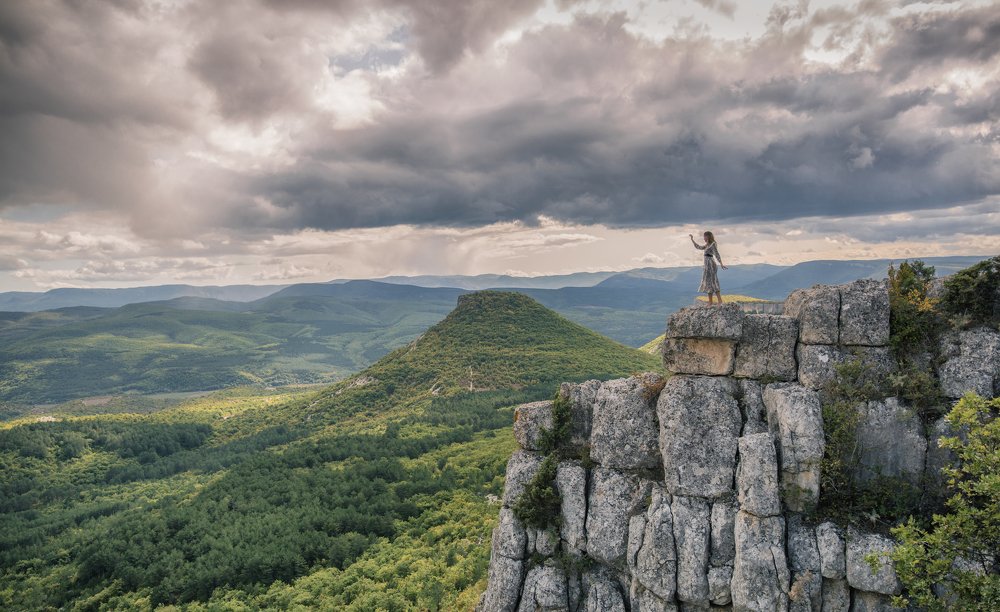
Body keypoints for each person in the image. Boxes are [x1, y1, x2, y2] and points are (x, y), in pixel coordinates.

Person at [689, 231, 728, 305]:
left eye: (704, 236)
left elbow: (716, 254)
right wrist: (692, 240)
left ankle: (719, 301)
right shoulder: (707, 245)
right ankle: (710, 302)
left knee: (713, 282)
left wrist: (721, 263)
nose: (704, 238)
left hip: (711, 265)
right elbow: (699, 247)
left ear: (708, 236)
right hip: (707, 266)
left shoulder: (713, 244)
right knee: (708, 283)